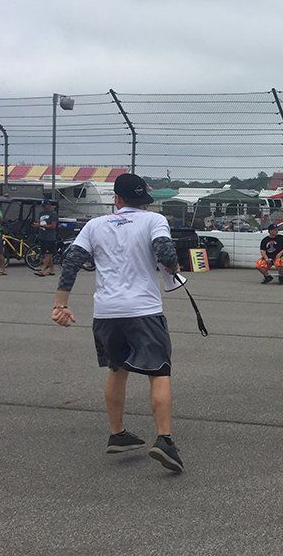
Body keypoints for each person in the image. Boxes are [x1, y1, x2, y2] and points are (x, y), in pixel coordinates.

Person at [50, 173, 184, 472]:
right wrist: (172, 267)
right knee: (159, 372)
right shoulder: (153, 220)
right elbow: (165, 253)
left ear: (117, 199)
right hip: (143, 310)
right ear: (143, 200)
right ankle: (164, 439)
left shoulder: (94, 225)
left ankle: (118, 433)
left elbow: (71, 262)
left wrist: (60, 304)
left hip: (107, 312)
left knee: (117, 369)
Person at [33, 199, 59, 277]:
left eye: (45, 206)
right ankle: (52, 270)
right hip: (42, 236)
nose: (44, 207)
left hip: (50, 237)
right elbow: (40, 223)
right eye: (43, 206)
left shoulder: (53, 214)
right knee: (47, 253)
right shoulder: (41, 213)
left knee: (47, 254)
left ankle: (42, 270)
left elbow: (53, 226)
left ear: (49, 205)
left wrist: (40, 226)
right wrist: (37, 225)